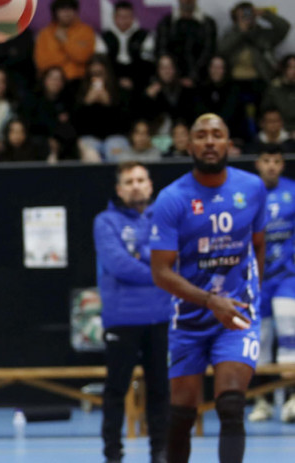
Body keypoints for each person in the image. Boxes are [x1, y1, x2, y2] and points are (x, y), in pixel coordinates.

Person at [150, 113, 268, 463]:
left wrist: (249, 293)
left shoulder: (252, 188)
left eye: (217, 134)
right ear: (189, 145)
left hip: (237, 315)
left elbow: (258, 244)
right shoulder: (172, 198)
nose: (210, 141)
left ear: (228, 143)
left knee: (231, 404)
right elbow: (160, 271)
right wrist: (209, 300)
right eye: (201, 135)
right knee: (182, 416)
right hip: (189, 318)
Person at [94, 161, 171, 463]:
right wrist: (160, 270)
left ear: (150, 185)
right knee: (116, 389)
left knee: (161, 389)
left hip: (161, 316)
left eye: (141, 179)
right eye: (129, 181)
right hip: (122, 318)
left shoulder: (164, 218)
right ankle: (113, 454)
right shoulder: (105, 221)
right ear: (119, 189)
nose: (136, 185)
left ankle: (160, 452)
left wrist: (145, 257)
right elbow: (118, 265)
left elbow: (173, 257)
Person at [249, 143, 295, 423]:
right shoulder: (246, 194)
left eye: (276, 161)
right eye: (266, 160)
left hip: (288, 276)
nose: (271, 166)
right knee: (261, 339)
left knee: (289, 330)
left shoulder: (293, 191)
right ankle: (262, 400)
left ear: (282, 165)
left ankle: (291, 398)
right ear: (258, 163)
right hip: (258, 277)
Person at [218, 2, 290, 108]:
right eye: (242, 16)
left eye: (248, 14)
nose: (246, 18)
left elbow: (284, 27)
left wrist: (265, 14)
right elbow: (221, 50)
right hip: (234, 81)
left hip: (261, 80)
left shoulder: (263, 34)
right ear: (235, 18)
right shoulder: (230, 34)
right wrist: (241, 31)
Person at [72, 55, 130, 161]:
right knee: (91, 156)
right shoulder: (79, 90)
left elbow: (125, 122)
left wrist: (109, 104)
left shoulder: (119, 90)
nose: (97, 78)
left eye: (100, 73)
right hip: (88, 137)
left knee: (115, 152)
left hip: (115, 136)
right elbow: (75, 122)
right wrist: (86, 103)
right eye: (94, 74)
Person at [96, 1, 155, 92]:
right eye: (120, 16)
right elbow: (101, 64)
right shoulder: (105, 38)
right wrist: (117, 81)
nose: (124, 20)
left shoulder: (144, 36)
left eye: (127, 16)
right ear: (114, 17)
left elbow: (147, 64)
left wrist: (134, 81)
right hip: (112, 81)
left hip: (138, 81)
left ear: (133, 17)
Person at [155, 0, 217, 86]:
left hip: (201, 82)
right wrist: (175, 78)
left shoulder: (208, 24)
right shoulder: (166, 23)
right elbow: (162, 51)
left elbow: (209, 52)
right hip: (171, 83)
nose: (187, 1)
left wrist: (193, 77)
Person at [34, 0, 96, 83]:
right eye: (62, 9)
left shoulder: (86, 31)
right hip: (51, 81)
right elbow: (42, 63)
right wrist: (68, 57)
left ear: (75, 11)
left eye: (70, 9)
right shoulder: (45, 34)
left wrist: (65, 41)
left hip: (77, 80)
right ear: (55, 13)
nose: (67, 13)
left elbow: (83, 57)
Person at [261, 55, 295, 136]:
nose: (294, 71)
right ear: (284, 69)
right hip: (280, 132)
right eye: (291, 68)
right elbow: (267, 113)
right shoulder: (274, 90)